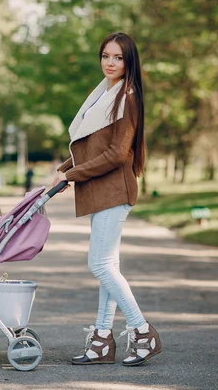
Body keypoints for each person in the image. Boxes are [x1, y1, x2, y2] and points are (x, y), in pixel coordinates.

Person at [52, 32, 162, 366]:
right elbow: (92, 145)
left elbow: (116, 155)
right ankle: (101, 340)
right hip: (103, 191)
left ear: (129, 61)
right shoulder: (105, 94)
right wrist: (62, 169)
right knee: (107, 268)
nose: (110, 63)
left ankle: (142, 331)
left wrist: (70, 176)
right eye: (105, 56)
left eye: (117, 57)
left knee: (99, 265)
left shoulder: (127, 97)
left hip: (116, 190)